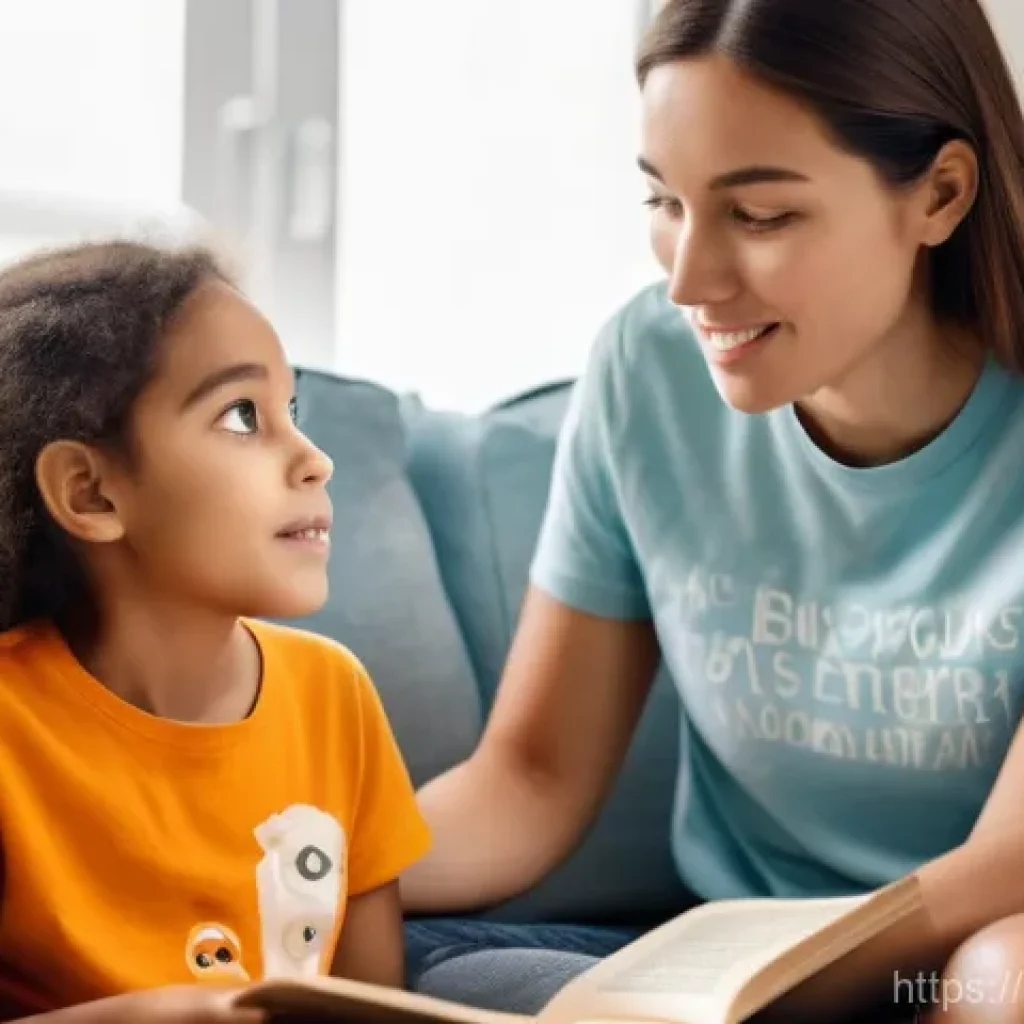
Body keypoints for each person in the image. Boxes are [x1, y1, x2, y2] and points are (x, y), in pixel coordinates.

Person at [400, 0, 1024, 1020]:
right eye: (664, 202)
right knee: (377, 957)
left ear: (940, 193)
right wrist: (310, 875)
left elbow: (1008, 865)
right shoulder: (645, 367)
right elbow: (532, 777)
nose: (688, 280)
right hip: (707, 963)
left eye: (760, 215)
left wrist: (768, 994)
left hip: (943, 960)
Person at [0, 241, 431, 1022]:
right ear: (90, 493)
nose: (315, 461)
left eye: (292, 414)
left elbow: (372, 1005)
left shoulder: (334, 693)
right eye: (242, 416)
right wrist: (151, 1017)